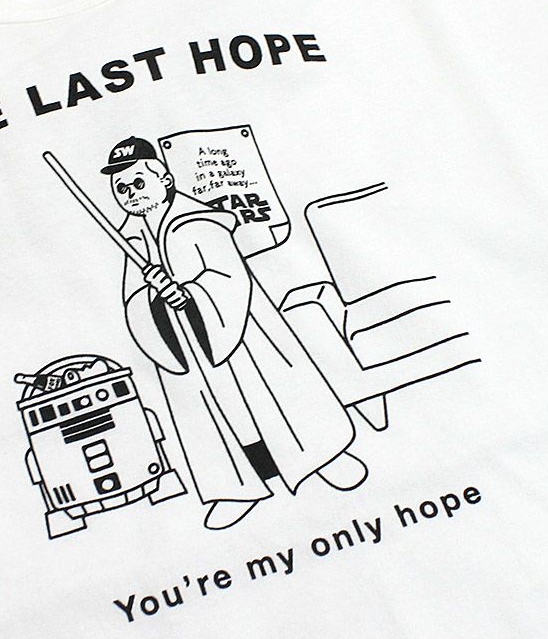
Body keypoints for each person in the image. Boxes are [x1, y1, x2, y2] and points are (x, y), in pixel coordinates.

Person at [102, 136, 368, 530]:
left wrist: (191, 294)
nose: (131, 194)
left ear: (164, 179)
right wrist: (154, 301)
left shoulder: (199, 223)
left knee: (274, 398)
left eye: (138, 182)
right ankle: (237, 489)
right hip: (184, 349)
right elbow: (134, 301)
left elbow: (226, 276)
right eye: (122, 188)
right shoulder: (132, 241)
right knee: (213, 417)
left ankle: (322, 457)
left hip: (239, 333)